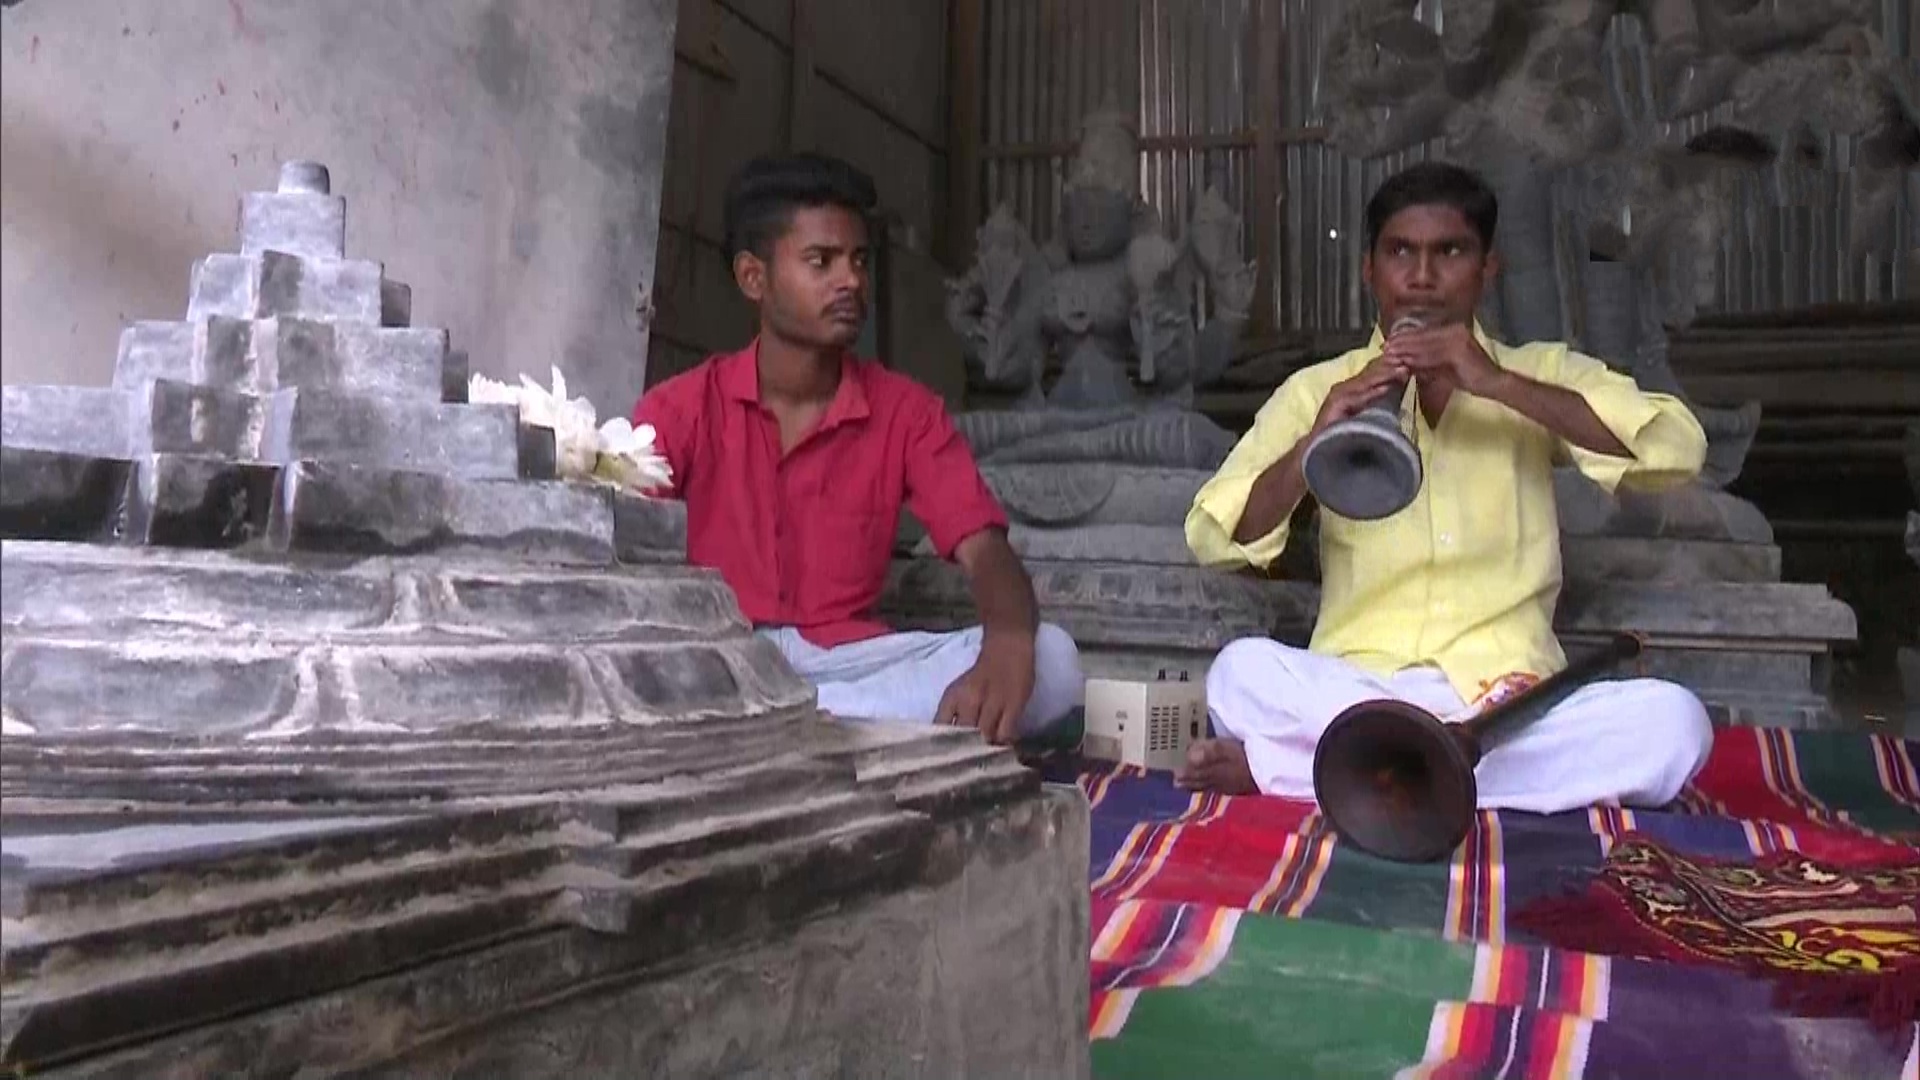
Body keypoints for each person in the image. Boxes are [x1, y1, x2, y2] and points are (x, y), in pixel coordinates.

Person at [1177, 161, 1714, 814]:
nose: (1422, 278)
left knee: (1676, 726)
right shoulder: (1320, 389)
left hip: (1503, 702)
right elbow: (1214, 535)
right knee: (1239, 674)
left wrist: (1495, 385)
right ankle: (1436, 773)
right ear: (1369, 269)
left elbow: (1677, 448)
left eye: (1450, 252)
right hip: (1357, 689)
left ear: (1489, 268)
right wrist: (1312, 442)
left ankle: (1298, 771)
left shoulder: (1534, 371)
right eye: (1400, 252)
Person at [631, 152, 1083, 744]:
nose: (851, 281)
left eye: (859, 261)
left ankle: (787, 725)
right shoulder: (677, 410)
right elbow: (622, 560)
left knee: (1055, 663)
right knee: (641, 675)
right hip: (721, 659)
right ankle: (821, 726)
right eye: (821, 261)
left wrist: (1009, 640)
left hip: (854, 665)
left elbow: (984, 548)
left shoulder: (907, 413)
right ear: (753, 278)